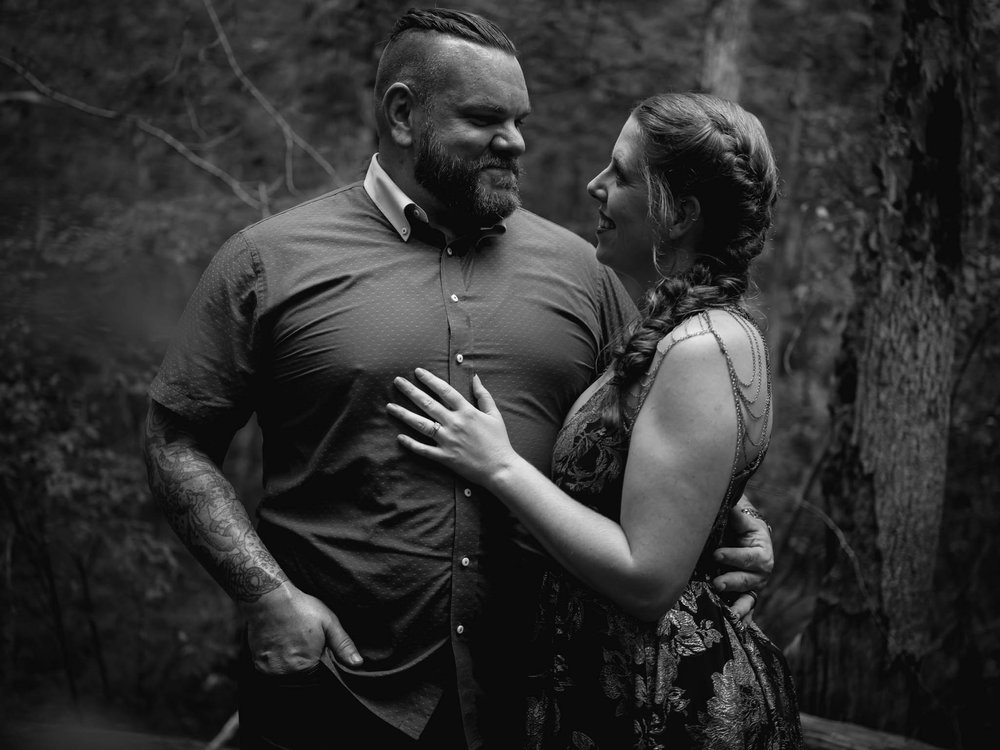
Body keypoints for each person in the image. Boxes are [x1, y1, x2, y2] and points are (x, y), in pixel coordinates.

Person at [141, 9, 776, 750]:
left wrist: (737, 522)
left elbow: (654, 425)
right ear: (403, 114)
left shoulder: (585, 271)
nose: (516, 142)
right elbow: (175, 438)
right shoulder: (267, 261)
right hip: (335, 692)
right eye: (485, 119)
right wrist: (264, 594)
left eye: (520, 119)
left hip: (536, 699)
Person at [389, 92, 803, 748]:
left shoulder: (702, 348)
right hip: (608, 690)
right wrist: (738, 517)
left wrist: (498, 466)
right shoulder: (677, 327)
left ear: (681, 213)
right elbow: (671, 479)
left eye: (622, 174)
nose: (595, 186)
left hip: (666, 709)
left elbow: (647, 580)